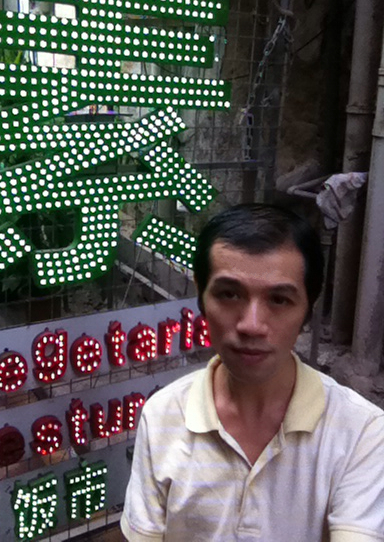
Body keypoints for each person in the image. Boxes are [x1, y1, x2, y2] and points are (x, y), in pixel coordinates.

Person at [121, 203, 384, 542]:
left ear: (309, 306)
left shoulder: (362, 432)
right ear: (201, 295)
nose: (251, 325)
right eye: (229, 294)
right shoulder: (163, 415)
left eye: (279, 300)